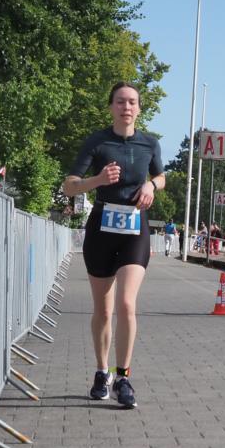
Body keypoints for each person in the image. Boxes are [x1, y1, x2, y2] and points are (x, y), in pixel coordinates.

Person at [62, 82, 165, 408]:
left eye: (132, 102)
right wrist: (97, 181)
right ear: (111, 107)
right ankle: (101, 372)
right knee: (104, 310)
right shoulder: (98, 140)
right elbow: (69, 187)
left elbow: (162, 177)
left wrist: (151, 184)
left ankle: (123, 377)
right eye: (120, 101)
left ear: (139, 108)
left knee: (126, 304)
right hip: (102, 229)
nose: (126, 107)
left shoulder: (150, 143)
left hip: (135, 229)